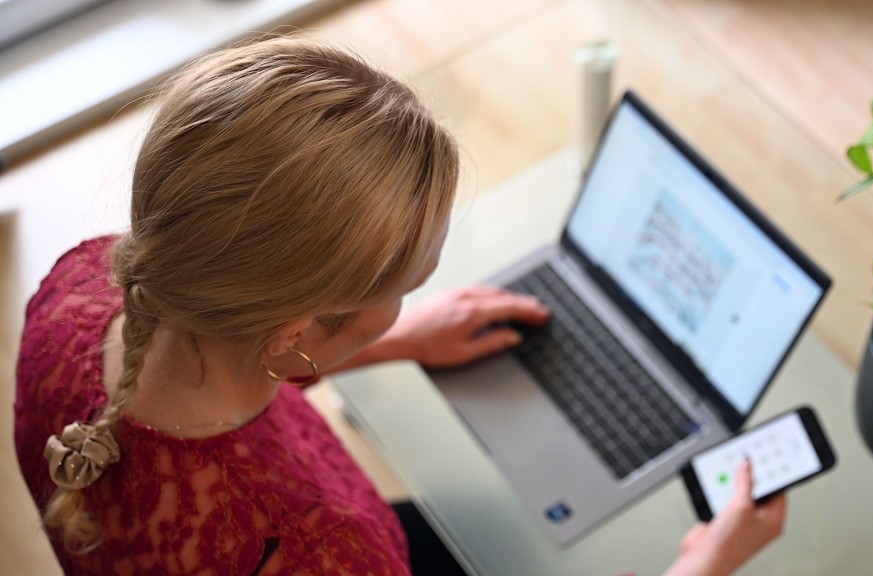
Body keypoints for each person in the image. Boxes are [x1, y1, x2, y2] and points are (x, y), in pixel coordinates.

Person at [14, 37, 784, 575]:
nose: (412, 292)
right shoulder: (325, 548)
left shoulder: (84, 285)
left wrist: (397, 334)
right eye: (404, 285)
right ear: (294, 329)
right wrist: (703, 563)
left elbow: (220, 345)